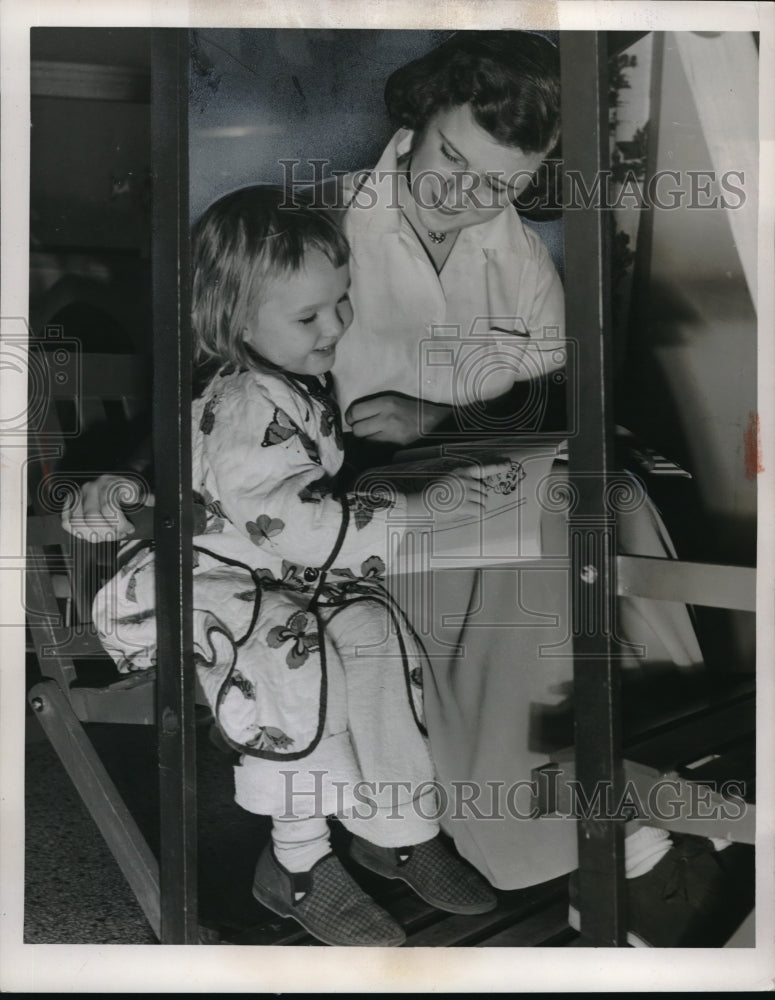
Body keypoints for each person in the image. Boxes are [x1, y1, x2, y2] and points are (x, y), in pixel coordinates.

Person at [66, 32, 741, 946]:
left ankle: (636, 784)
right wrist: (131, 480)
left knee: (602, 496)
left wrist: (439, 422)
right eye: (451, 157)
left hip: (462, 495)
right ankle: (584, 836)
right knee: (538, 525)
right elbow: (210, 390)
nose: (462, 195)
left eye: (496, 183)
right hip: (343, 532)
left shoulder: (522, 263)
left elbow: (559, 400)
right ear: (416, 115)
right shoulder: (314, 221)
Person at [90, 185, 511, 947]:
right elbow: (292, 524)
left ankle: (394, 828)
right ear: (237, 322)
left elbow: (302, 521)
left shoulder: (291, 382)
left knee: (372, 627)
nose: (336, 325)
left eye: (341, 302)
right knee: (292, 646)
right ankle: (296, 861)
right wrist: (418, 521)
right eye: (310, 316)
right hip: (198, 581)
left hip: (269, 568)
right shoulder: (249, 401)